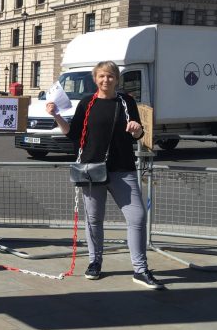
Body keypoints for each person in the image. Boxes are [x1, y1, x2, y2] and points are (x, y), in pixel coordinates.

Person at [47, 60, 165, 290]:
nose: (106, 80)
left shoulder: (126, 101)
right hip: (92, 169)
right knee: (93, 219)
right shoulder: (87, 103)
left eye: (110, 76)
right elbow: (73, 134)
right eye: (101, 76)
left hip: (123, 168)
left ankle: (140, 270)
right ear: (95, 79)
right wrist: (56, 116)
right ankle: (94, 261)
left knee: (137, 217)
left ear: (116, 79)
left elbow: (138, 133)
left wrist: (137, 129)